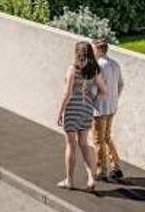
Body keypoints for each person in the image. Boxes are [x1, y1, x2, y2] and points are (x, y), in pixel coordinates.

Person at [56, 41, 107, 192]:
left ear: (77, 53)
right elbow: (104, 91)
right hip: (86, 109)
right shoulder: (94, 70)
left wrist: (60, 112)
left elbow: (67, 94)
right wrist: (92, 100)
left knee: (71, 145)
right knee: (84, 143)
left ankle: (69, 181)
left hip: (72, 109)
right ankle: (91, 178)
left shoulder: (72, 69)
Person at [91, 39, 124, 182]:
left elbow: (93, 89)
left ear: (99, 50)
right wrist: (114, 98)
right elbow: (121, 84)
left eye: (93, 49)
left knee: (98, 140)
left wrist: (91, 101)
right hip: (111, 107)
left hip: (99, 108)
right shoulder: (115, 64)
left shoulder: (97, 66)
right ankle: (116, 166)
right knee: (107, 137)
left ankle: (102, 171)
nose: (91, 52)